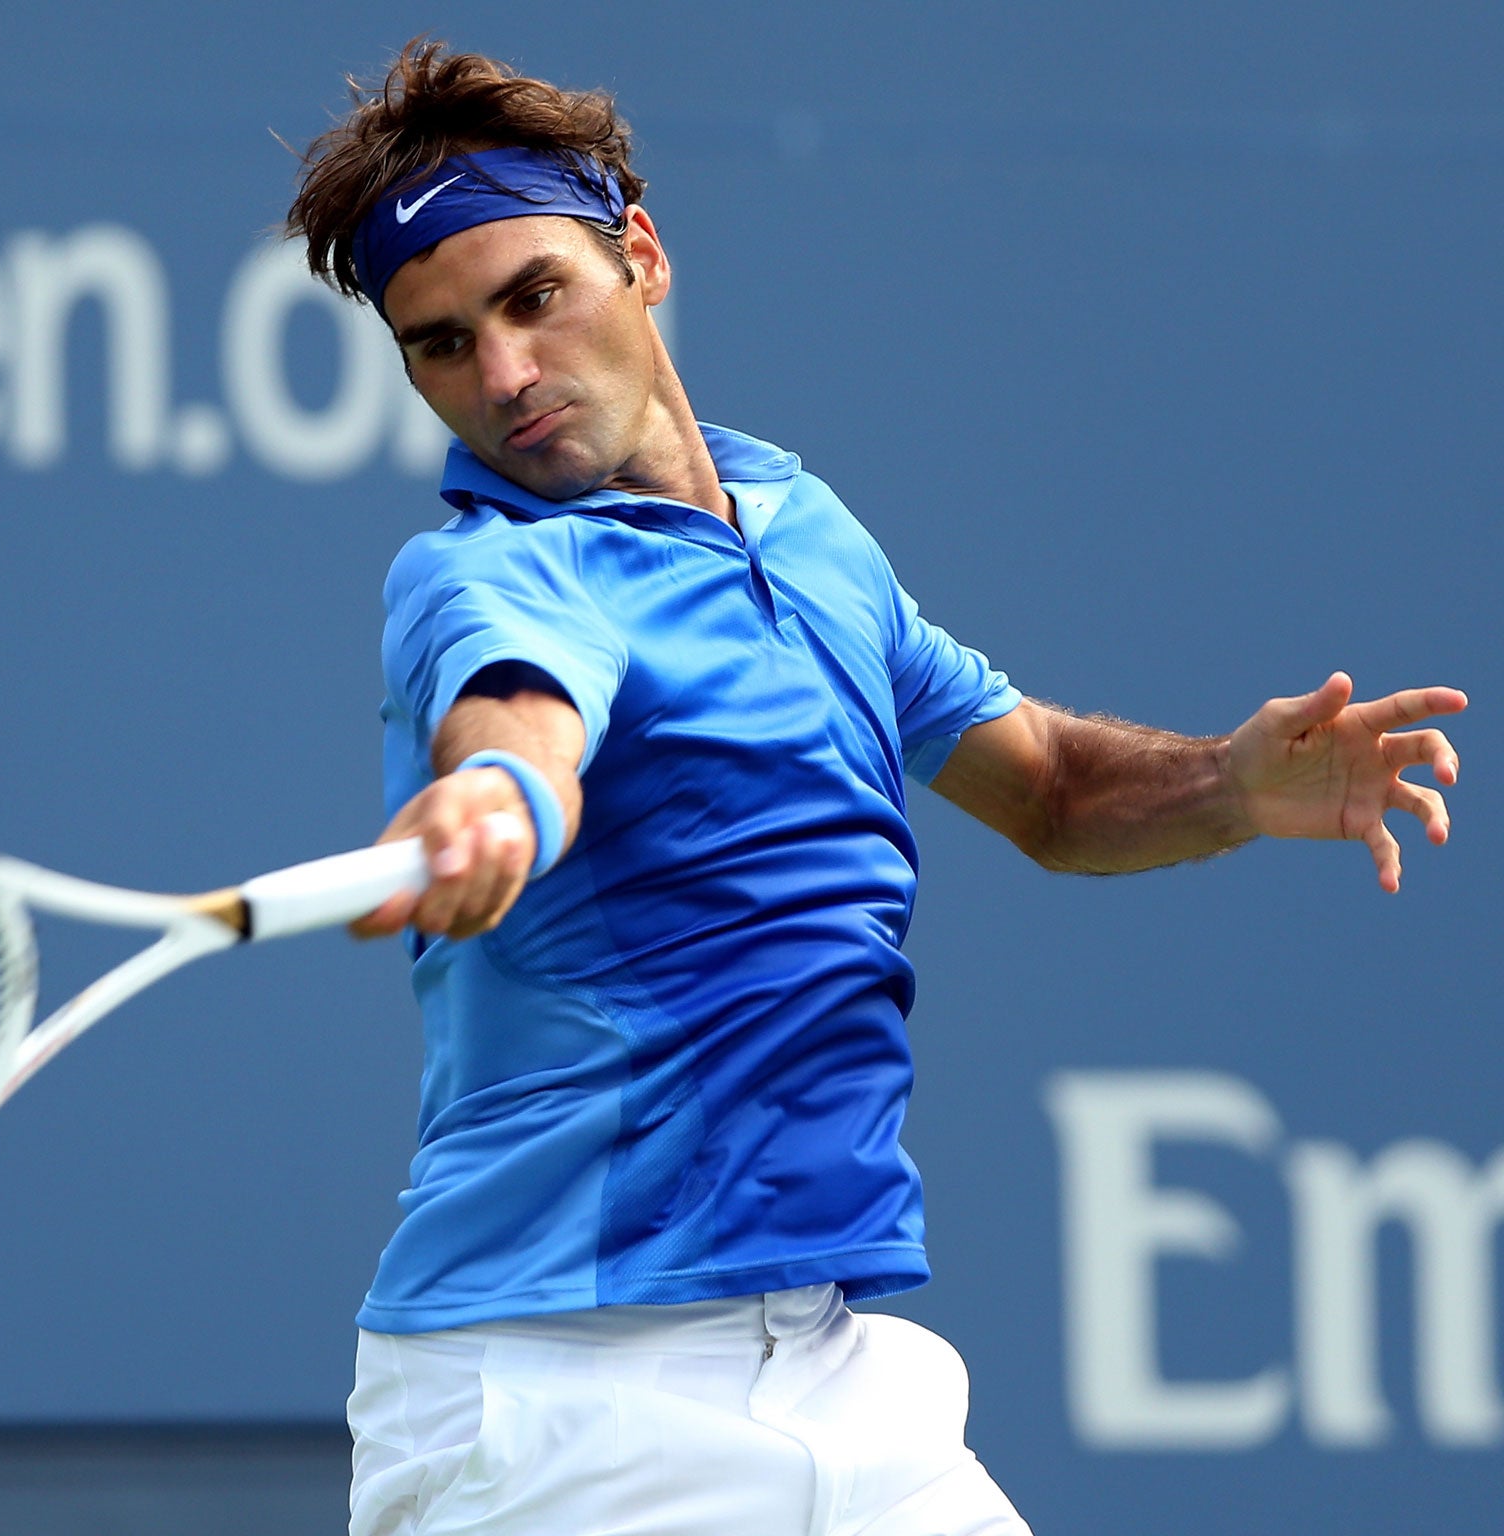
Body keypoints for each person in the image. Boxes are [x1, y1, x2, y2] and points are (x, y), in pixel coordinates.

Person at [285, 40, 1464, 1536]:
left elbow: (1046, 788)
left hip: (832, 1368)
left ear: (638, 259)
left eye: (534, 297)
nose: (503, 375)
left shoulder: (804, 527)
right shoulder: (491, 573)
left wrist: (1228, 784)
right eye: (440, 344)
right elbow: (522, 721)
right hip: (554, 1408)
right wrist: (495, 803)